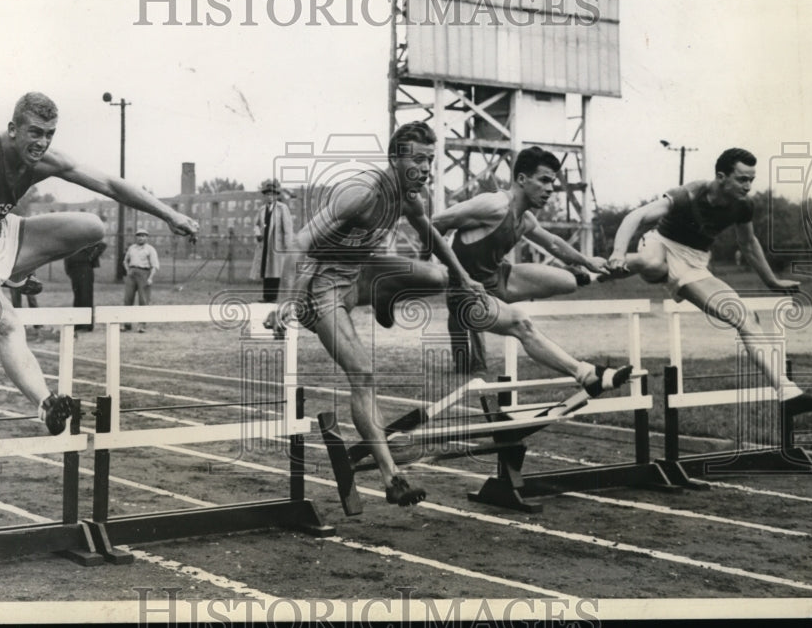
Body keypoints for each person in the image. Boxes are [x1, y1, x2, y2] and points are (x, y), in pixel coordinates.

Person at [0, 92, 199, 434]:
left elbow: (110, 184)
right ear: (13, 129)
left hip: (5, 238)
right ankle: (47, 403)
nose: (42, 142)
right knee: (7, 324)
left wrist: (170, 214)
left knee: (92, 227)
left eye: (49, 134)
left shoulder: (44, 161)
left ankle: (13, 275)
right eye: (35, 132)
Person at [274, 121, 487, 508]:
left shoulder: (409, 198)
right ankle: (393, 477)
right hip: (320, 288)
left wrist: (465, 278)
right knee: (364, 373)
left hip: (359, 274)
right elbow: (297, 242)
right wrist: (283, 302)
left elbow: (433, 237)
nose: (426, 170)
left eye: (430, 161)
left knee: (438, 276)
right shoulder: (361, 193)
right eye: (418, 160)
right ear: (394, 158)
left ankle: (384, 297)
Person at [369, 147, 633, 396]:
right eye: (543, 181)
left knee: (568, 281)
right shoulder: (492, 205)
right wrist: (423, 269)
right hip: (467, 294)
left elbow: (552, 242)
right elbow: (434, 223)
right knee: (522, 324)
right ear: (521, 178)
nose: (550, 189)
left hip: (499, 278)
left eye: (552, 182)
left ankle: (598, 274)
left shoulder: (526, 219)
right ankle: (587, 374)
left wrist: (587, 261)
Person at [605, 147, 812, 417]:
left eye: (751, 179)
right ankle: (590, 270)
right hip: (659, 243)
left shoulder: (743, 205)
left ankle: (789, 394)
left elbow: (748, 243)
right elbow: (636, 216)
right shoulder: (688, 194)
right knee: (652, 263)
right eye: (741, 179)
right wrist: (618, 252)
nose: (748, 186)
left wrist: (771, 281)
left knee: (746, 317)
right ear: (721, 176)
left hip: (695, 262)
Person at [249, 178, 294, 303]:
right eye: (267, 194)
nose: (270, 197)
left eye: (272, 194)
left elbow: (288, 228)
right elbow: (256, 224)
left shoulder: (282, 208)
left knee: (275, 270)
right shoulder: (262, 209)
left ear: (276, 195)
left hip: (277, 244)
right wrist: (258, 234)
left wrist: (288, 246)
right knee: (266, 270)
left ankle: (273, 297)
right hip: (265, 245)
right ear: (265, 196)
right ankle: (266, 297)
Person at [64, 240, 107, 332]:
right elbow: (66, 256)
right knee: (77, 297)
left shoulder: (87, 236)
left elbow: (102, 245)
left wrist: (91, 257)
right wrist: (68, 270)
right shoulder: (71, 239)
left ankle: (86, 325)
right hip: (74, 270)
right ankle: (78, 323)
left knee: (86, 296)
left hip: (85, 269)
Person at [123, 228, 160, 332]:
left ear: (147, 237)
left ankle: (142, 325)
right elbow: (125, 261)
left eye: (143, 236)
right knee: (127, 299)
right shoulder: (132, 248)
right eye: (139, 235)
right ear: (136, 237)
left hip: (144, 273)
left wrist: (150, 278)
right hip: (132, 273)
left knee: (143, 300)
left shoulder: (150, 249)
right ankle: (126, 324)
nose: (141, 238)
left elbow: (155, 265)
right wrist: (128, 271)